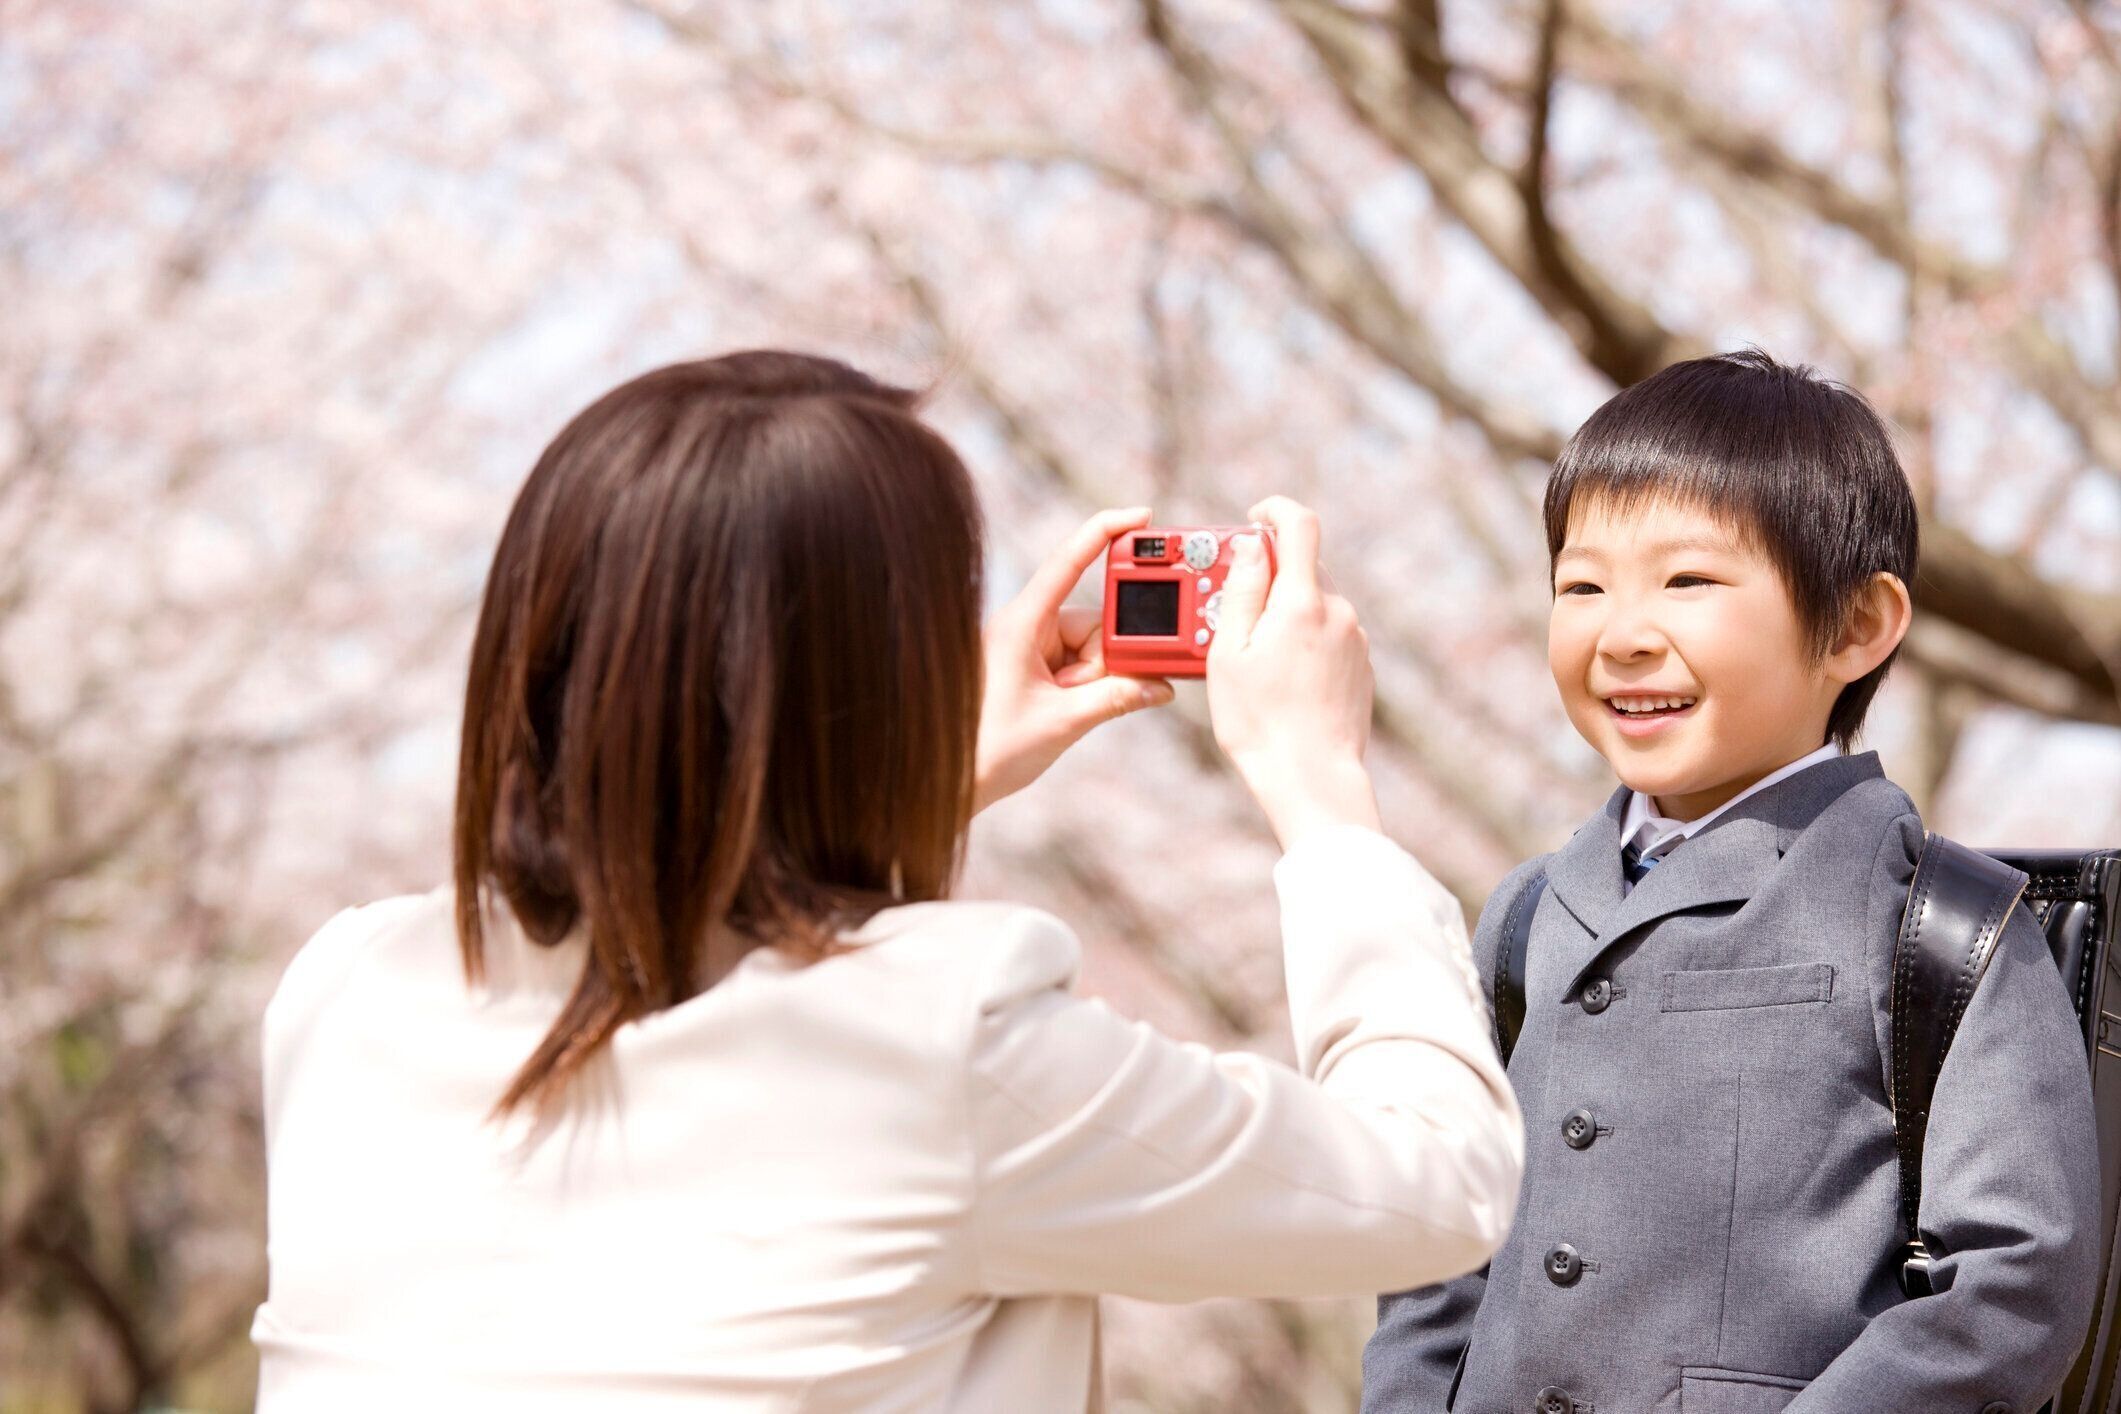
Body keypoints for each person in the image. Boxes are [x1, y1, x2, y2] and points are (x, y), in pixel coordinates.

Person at [249, 350, 1523, 1412]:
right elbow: (1439, 1184)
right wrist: (1320, 787)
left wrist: (892, 782)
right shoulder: (944, 1032)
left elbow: (643, 937)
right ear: (884, 672)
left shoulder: (345, 992)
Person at [1360, 349, 2101, 1413]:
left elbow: (2011, 1283)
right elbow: (1445, 1238)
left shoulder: (1939, 927)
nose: (1622, 633)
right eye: (1583, 584)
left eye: (1688, 580)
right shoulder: (1527, 915)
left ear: (1854, 625)